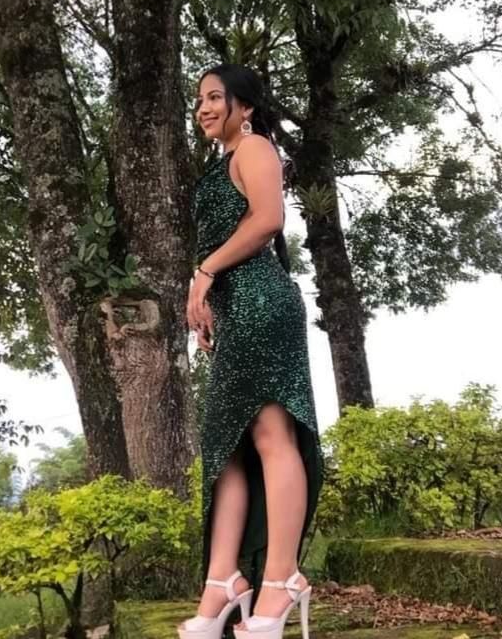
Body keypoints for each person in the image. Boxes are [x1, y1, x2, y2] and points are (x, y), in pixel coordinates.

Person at [179, 63, 323, 639]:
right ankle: (222, 580)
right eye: (200, 100)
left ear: (245, 106)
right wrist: (206, 306)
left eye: (216, 97)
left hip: (262, 302)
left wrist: (204, 272)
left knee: (269, 436)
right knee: (227, 449)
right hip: (234, 310)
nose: (204, 108)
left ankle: (282, 577)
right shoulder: (220, 164)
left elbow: (268, 220)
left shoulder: (255, 147)